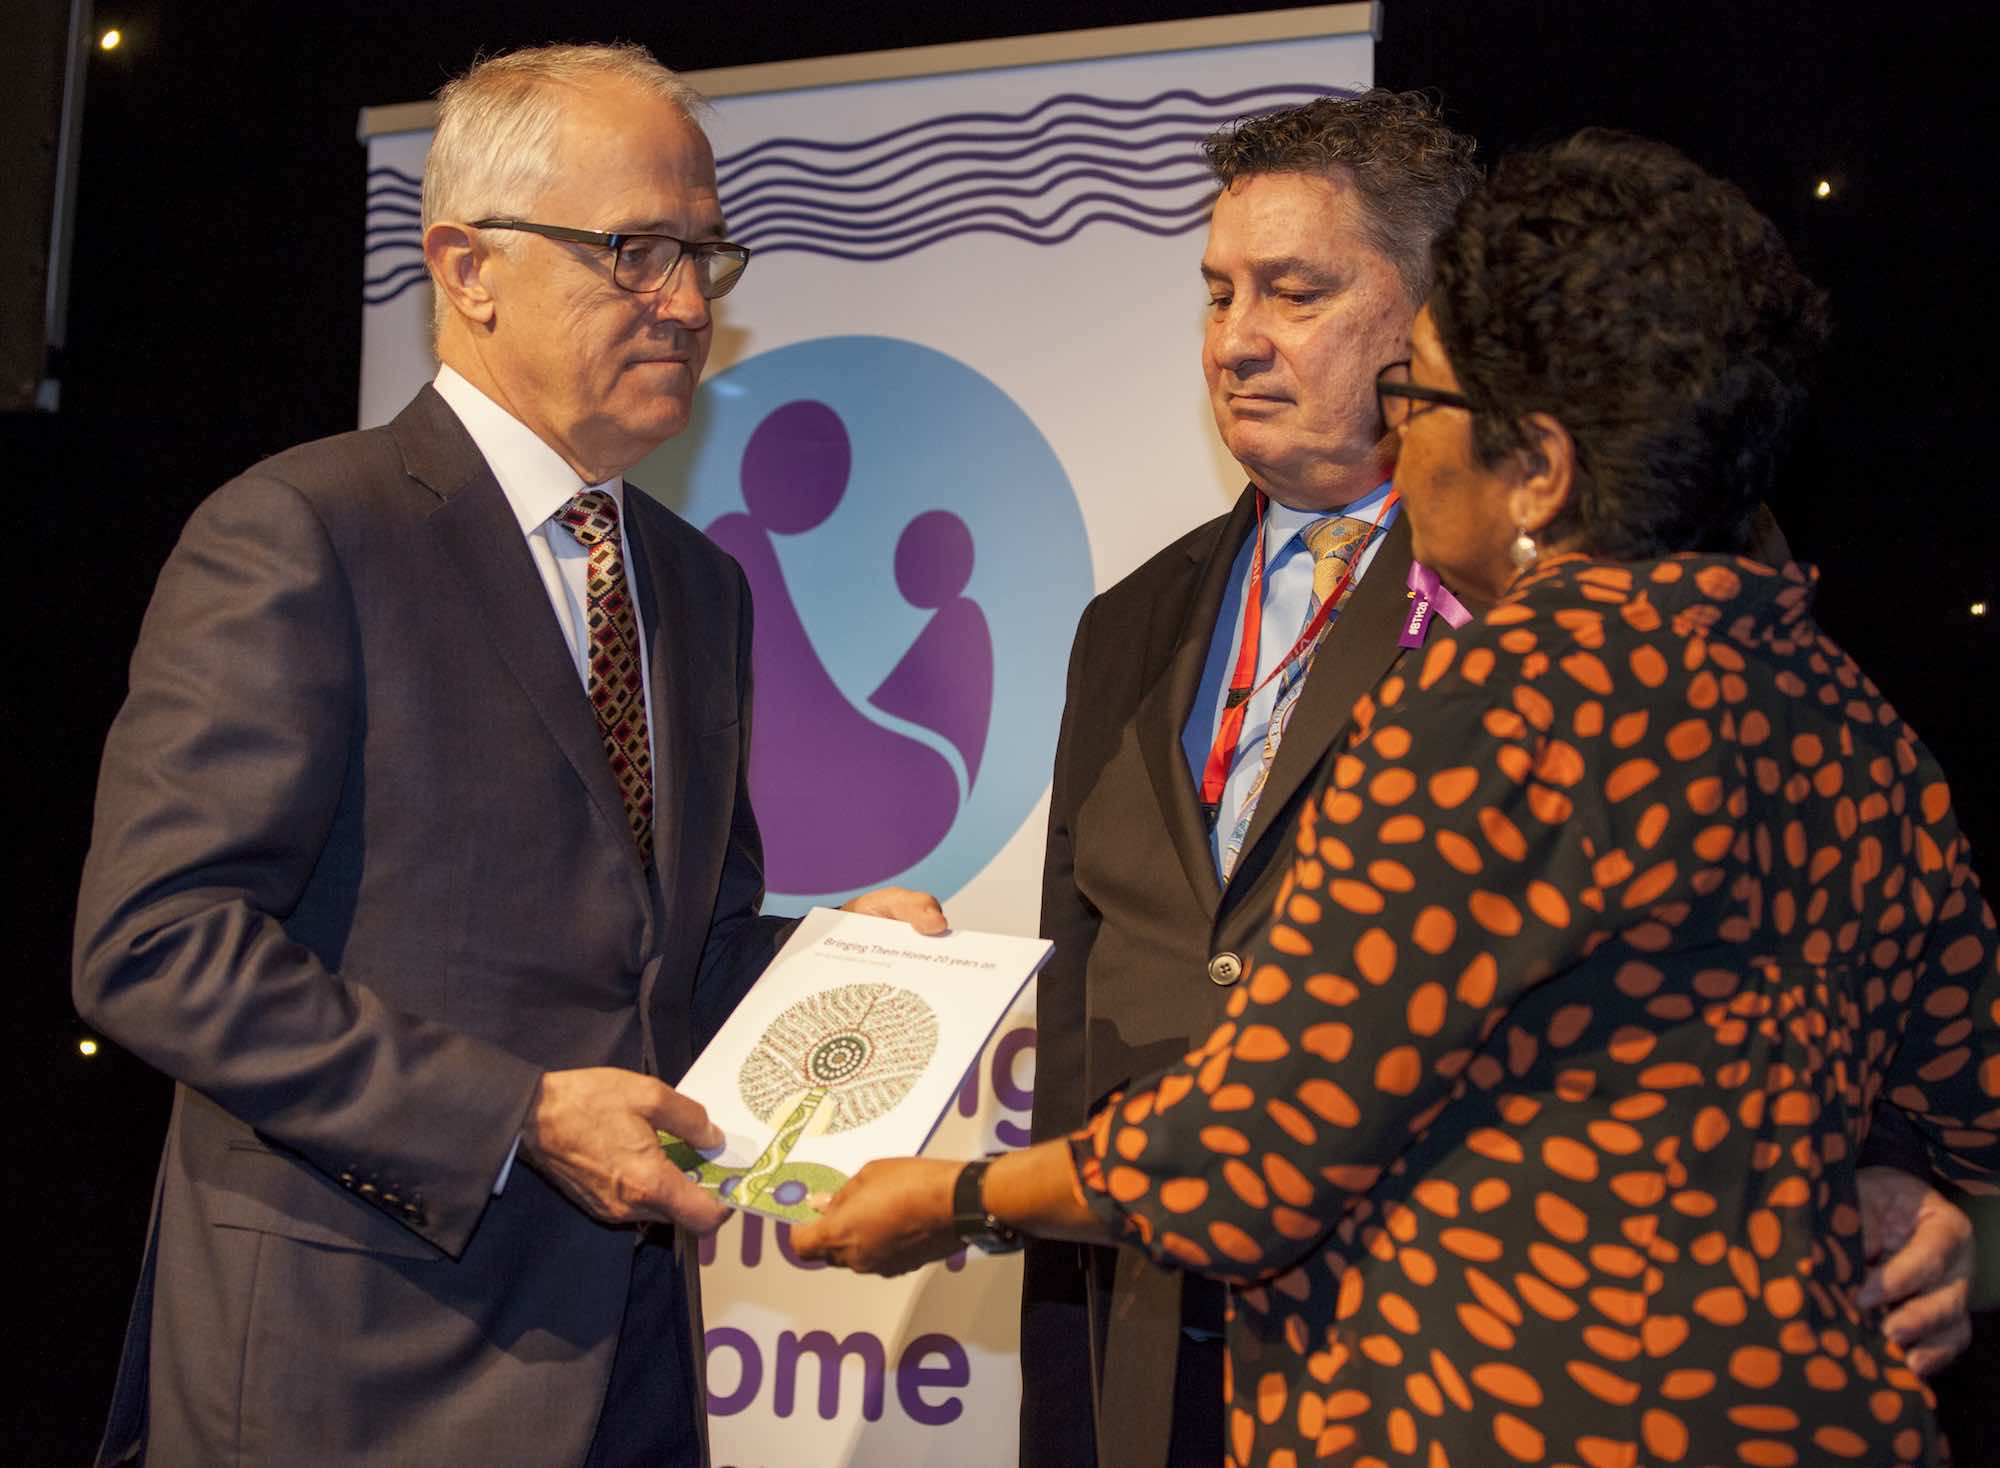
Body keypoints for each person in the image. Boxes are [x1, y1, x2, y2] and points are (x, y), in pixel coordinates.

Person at [795, 130, 1997, 1467]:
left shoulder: (1498, 701)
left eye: (1418, 403)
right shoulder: (1853, 720)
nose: (1401, 443)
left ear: (1536, 467)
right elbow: (1969, 1090)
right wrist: (1899, 1190)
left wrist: (958, 1195)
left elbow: (1260, 1145)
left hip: (1511, 1412)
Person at [72, 43, 940, 1467]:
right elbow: (155, 943)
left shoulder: (693, 585)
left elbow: (675, 958)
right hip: (348, 1373)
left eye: (701, 255)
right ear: (468, 268)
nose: (680, 301)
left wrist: (844, 968)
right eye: (632, 250)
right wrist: (514, 1115)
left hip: (631, 1369)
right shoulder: (303, 532)